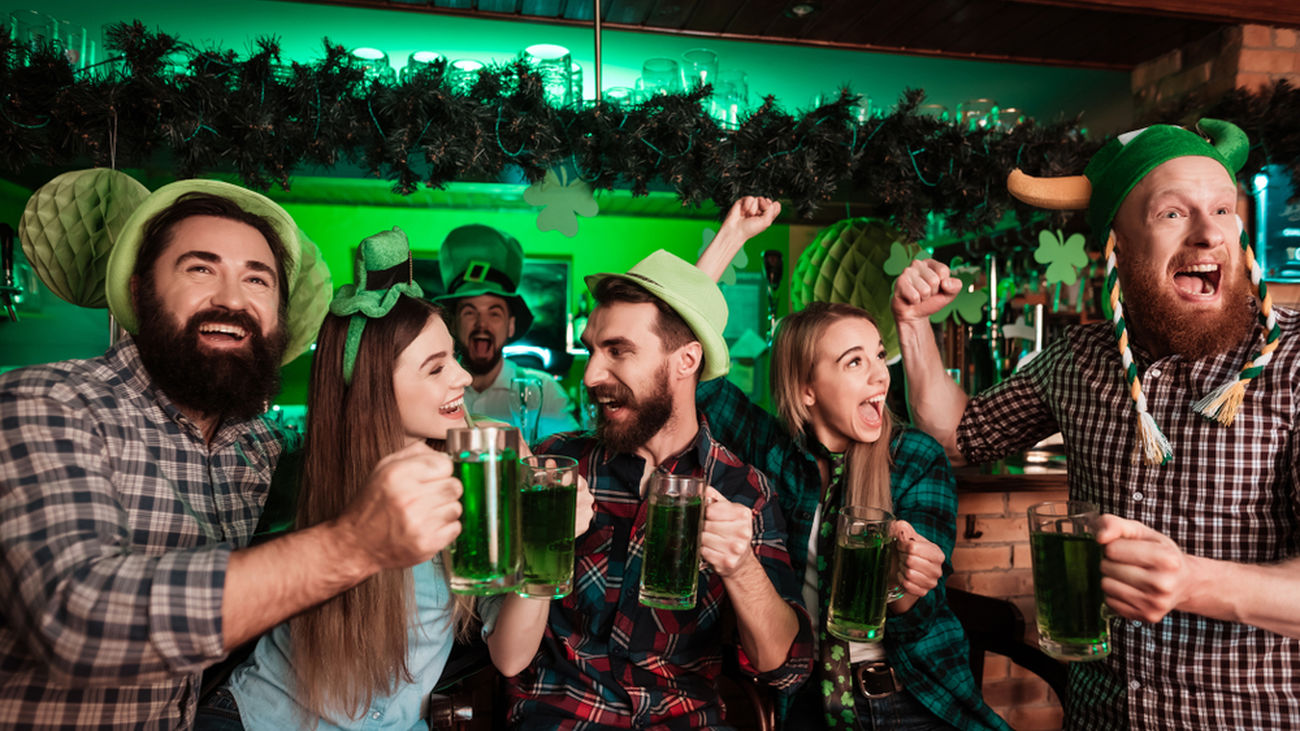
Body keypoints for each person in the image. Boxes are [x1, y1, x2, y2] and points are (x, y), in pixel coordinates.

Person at [0, 182, 463, 729]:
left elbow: (360, 437)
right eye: (201, 269)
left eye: (257, 279)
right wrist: (352, 545)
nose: (233, 299)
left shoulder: (257, 445)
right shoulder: (49, 403)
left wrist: (488, 446)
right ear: (140, 290)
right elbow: (77, 621)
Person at [891, 119, 1300, 728]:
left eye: (1222, 208)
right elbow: (960, 433)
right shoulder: (1080, 359)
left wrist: (1193, 582)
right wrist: (914, 323)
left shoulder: (1292, 362)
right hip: (1099, 716)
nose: (1209, 232)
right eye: (1172, 213)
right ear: (1117, 245)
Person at [481, 249, 813, 728]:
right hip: (562, 718)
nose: (591, 376)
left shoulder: (744, 489)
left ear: (686, 360)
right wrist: (543, 543)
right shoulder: (556, 466)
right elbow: (508, 657)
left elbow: (785, 668)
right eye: (593, 350)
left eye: (618, 351)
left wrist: (740, 567)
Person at [433, 224, 578, 439]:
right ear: (452, 324)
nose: (482, 324)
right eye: (470, 312)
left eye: (494, 313)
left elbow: (568, 455)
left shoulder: (543, 391)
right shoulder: (433, 390)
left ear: (511, 325)